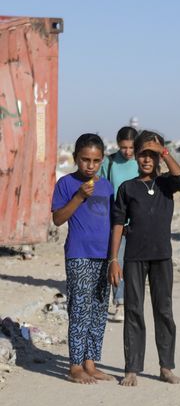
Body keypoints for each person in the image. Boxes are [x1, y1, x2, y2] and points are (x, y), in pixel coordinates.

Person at [108, 131, 180, 387]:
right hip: (134, 257)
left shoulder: (166, 184)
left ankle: (166, 367)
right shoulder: (127, 188)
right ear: (137, 156)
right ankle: (132, 368)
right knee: (133, 310)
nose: (146, 159)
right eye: (142, 154)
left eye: (151, 155)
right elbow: (118, 224)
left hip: (162, 257)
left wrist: (164, 151)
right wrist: (113, 259)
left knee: (164, 311)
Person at [51, 134, 114, 384]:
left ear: (102, 161)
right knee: (79, 308)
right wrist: (78, 197)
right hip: (79, 254)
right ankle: (75, 365)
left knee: (99, 309)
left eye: (96, 161)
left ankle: (91, 363)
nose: (90, 165)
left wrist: (114, 257)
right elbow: (58, 219)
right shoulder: (66, 184)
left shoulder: (107, 186)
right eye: (85, 159)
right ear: (76, 157)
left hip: (104, 256)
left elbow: (114, 221)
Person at [99, 126, 139, 322]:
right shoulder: (110, 162)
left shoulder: (142, 161)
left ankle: (135, 302)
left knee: (136, 265)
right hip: (118, 222)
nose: (127, 152)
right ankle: (120, 304)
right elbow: (102, 188)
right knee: (118, 261)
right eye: (124, 147)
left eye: (131, 147)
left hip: (140, 222)